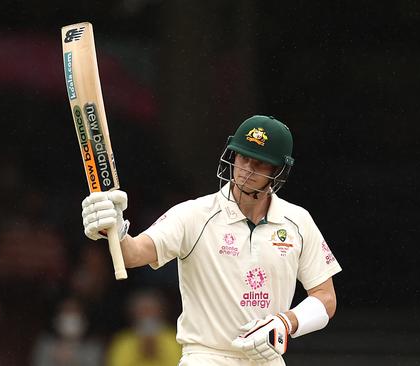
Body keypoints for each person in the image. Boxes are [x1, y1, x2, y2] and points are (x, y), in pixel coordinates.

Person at [81, 115, 342, 365]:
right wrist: (114, 229)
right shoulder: (194, 214)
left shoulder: (298, 221)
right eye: (243, 157)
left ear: (278, 170)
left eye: (259, 163)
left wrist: (286, 323)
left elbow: (325, 298)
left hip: (267, 360)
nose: (246, 170)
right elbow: (133, 253)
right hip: (206, 357)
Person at [106, 289, 181, 366]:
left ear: (161, 312)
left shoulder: (176, 338)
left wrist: (160, 352)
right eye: (142, 311)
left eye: (151, 310)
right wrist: (138, 353)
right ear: (132, 314)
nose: (147, 315)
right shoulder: (122, 341)